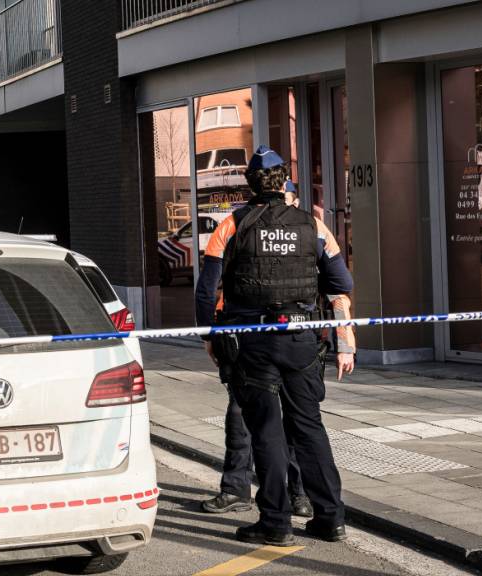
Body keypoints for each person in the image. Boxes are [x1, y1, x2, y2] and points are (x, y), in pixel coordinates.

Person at [196, 146, 354, 546]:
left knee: (266, 431)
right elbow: (342, 284)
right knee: (309, 427)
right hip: (301, 341)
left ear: (249, 184)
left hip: (253, 344)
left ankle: (275, 523)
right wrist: (341, 337)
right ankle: (330, 518)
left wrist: (211, 337)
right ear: (284, 182)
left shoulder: (231, 224)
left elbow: (204, 292)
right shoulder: (314, 226)